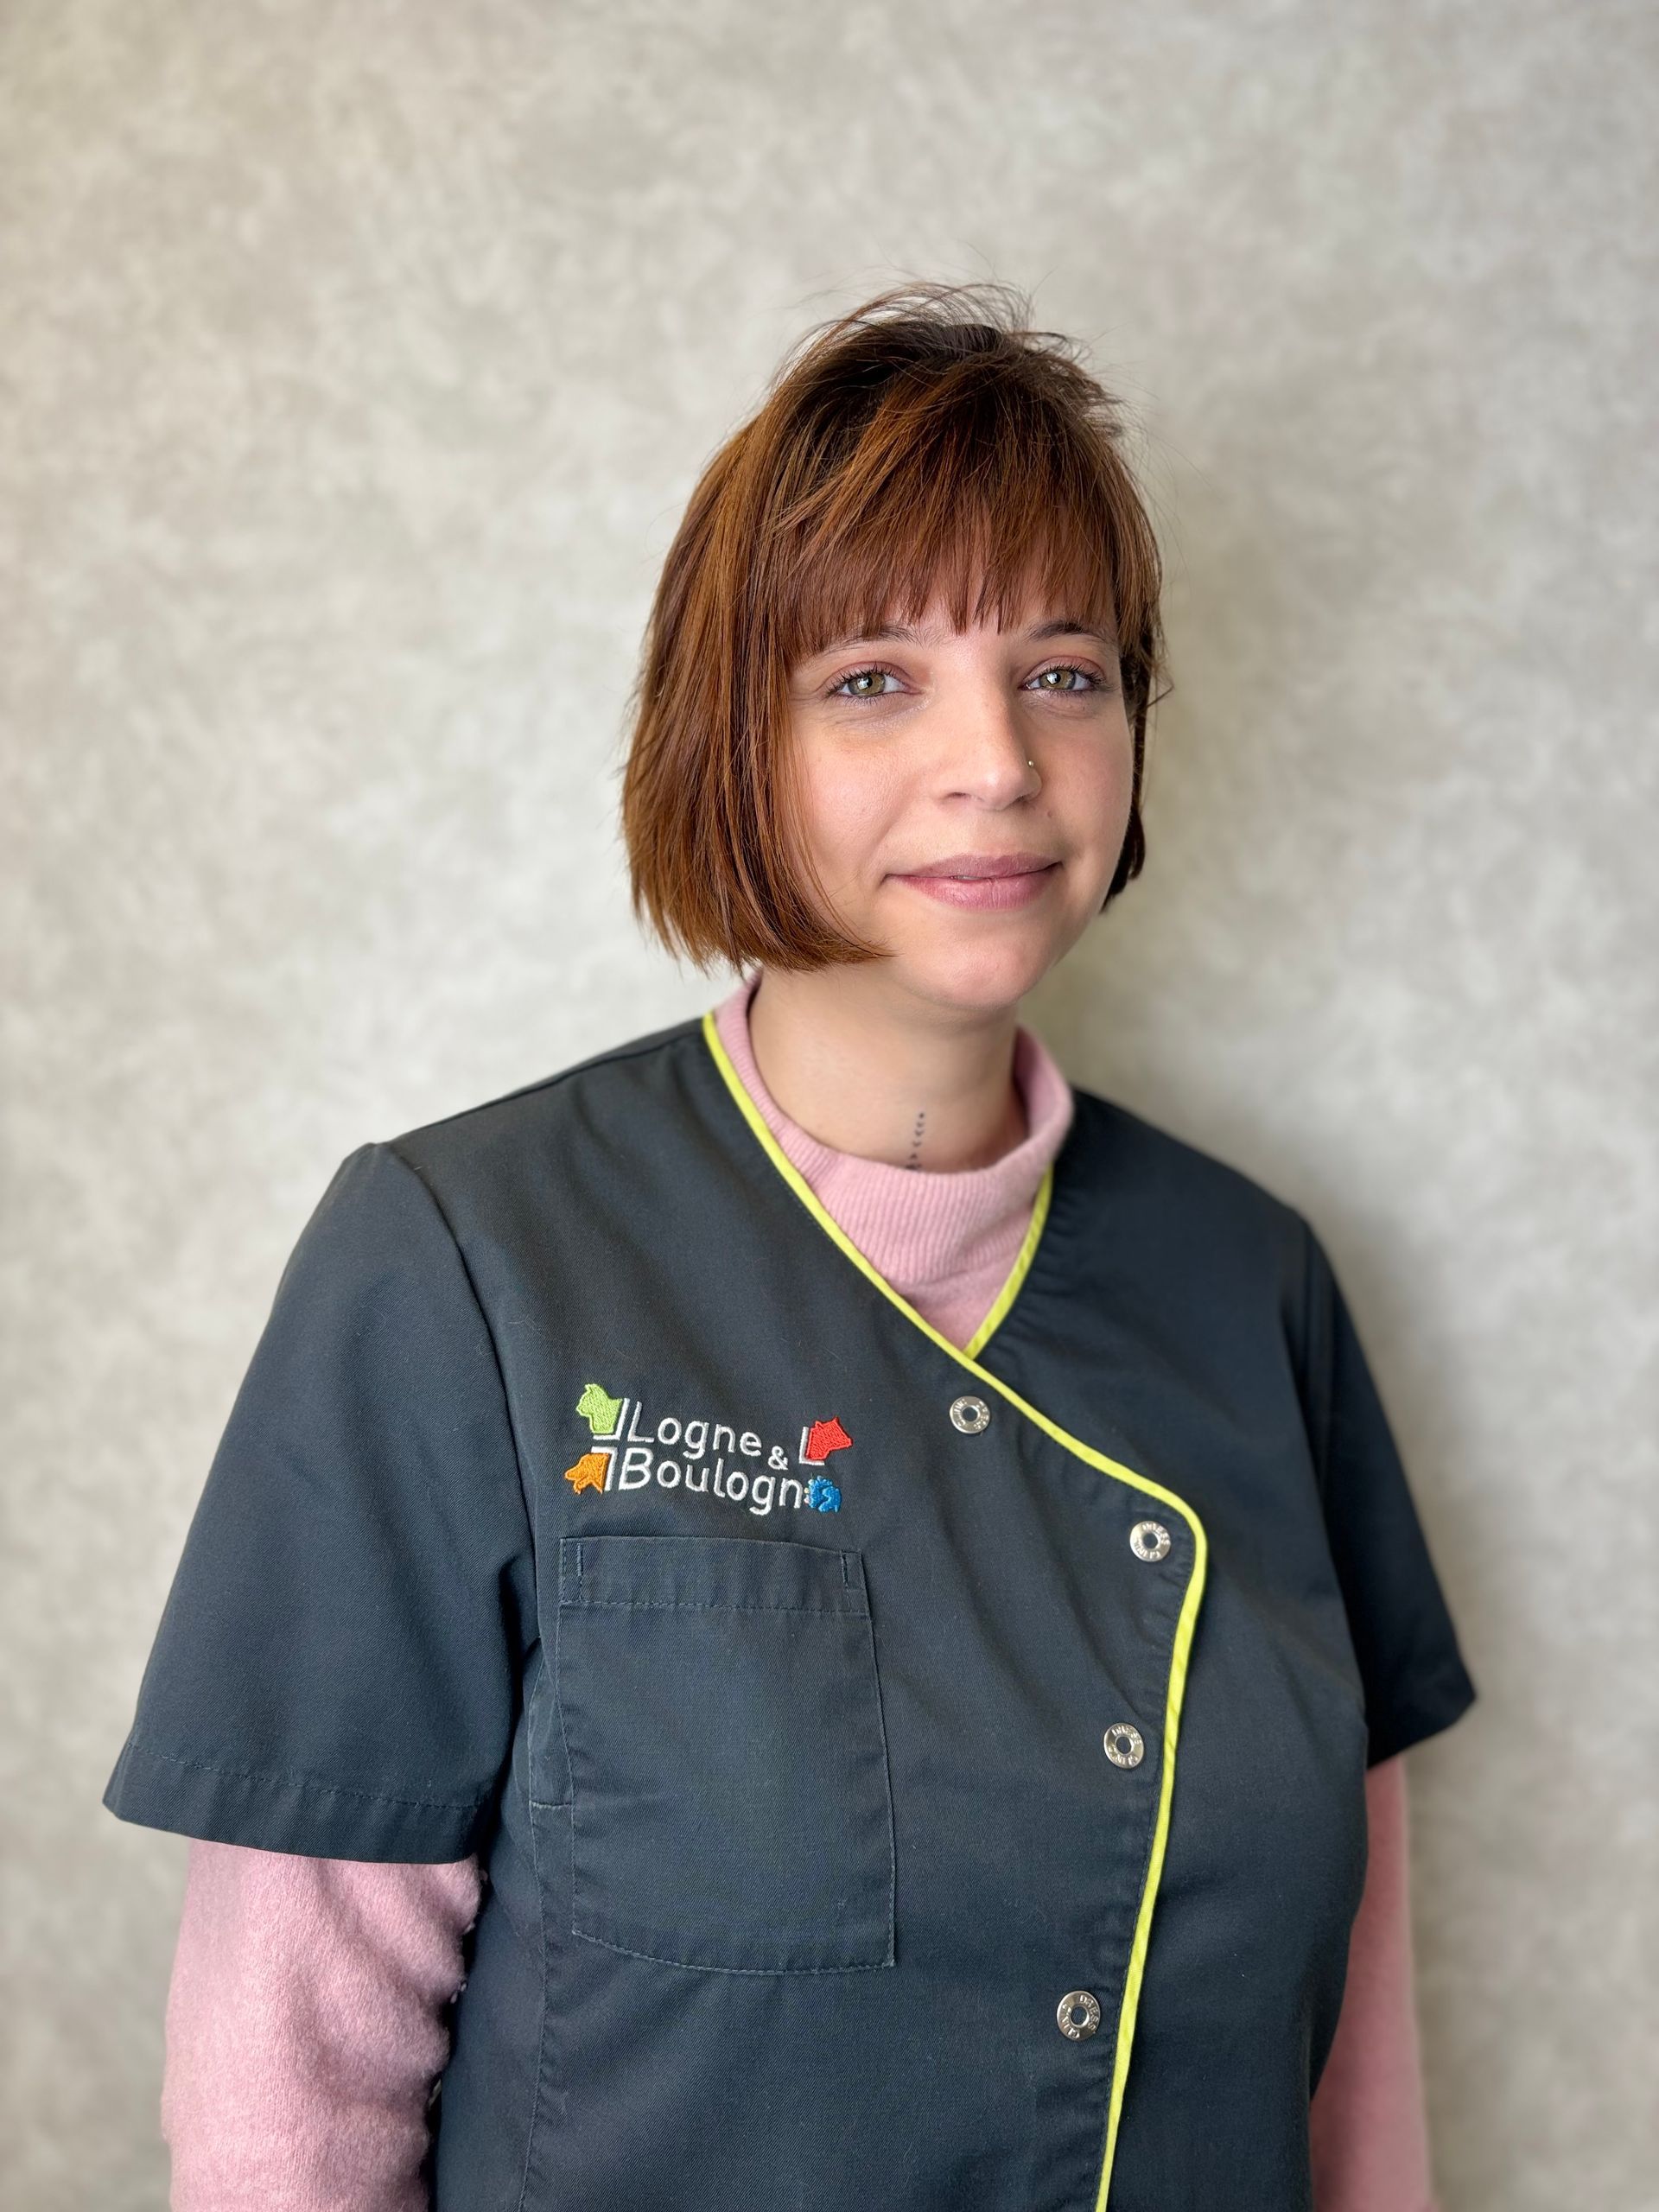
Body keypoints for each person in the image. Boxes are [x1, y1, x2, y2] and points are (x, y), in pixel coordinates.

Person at [104, 280, 1477, 2212]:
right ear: (724, 740)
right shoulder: (460, 1265)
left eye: (1064, 671)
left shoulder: (1259, 1287)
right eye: (873, 678)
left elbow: (1358, 2089)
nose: (997, 758)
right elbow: (282, 2115)